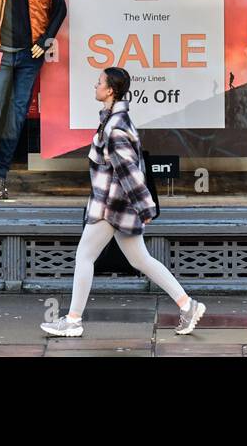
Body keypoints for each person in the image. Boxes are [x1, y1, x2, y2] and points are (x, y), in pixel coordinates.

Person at [41, 66, 206, 337]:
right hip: (116, 203)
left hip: (111, 205)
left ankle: (72, 320)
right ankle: (188, 305)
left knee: (84, 256)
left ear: (110, 91)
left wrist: (145, 207)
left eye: (99, 83)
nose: (95, 86)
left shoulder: (116, 127)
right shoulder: (113, 121)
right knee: (141, 259)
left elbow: (129, 171)